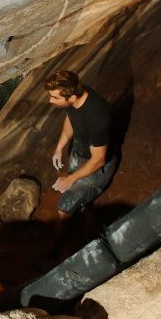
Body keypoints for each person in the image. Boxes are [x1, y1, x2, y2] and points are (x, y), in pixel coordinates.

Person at [46, 70, 119, 219]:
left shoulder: (97, 118)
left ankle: (62, 241)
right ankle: (82, 203)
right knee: (73, 188)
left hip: (98, 167)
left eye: (54, 97)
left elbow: (99, 160)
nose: (50, 101)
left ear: (72, 97)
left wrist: (70, 179)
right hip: (80, 152)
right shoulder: (75, 94)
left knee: (63, 210)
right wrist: (60, 148)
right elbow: (71, 117)